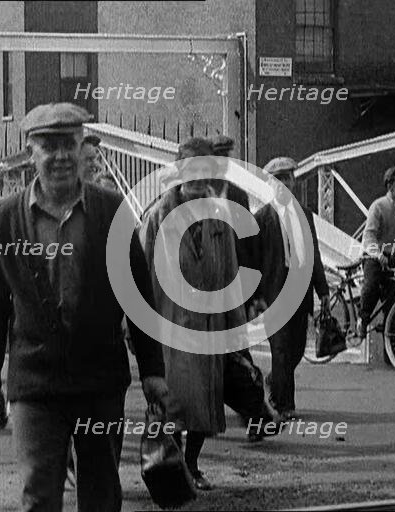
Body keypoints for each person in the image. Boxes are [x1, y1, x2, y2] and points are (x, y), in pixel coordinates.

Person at [0, 102, 167, 512]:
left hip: (98, 382)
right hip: (35, 385)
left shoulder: (111, 212)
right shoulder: (6, 221)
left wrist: (153, 371)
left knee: (100, 493)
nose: (61, 156)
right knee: (39, 494)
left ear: (82, 149)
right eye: (49, 146)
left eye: (69, 145)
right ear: (32, 154)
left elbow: (138, 294)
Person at [140, 137, 247, 490]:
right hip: (169, 327)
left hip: (210, 326)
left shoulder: (220, 218)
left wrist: (237, 329)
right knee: (174, 403)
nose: (199, 178)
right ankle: (172, 465)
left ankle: (191, 464)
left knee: (205, 404)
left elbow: (232, 276)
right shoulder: (157, 217)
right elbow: (140, 277)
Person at [210, 134, 280, 442]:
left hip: (234, 290)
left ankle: (257, 417)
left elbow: (249, 243)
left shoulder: (237, 194)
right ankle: (208, 418)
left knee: (238, 355)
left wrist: (256, 293)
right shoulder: (193, 196)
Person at [253, 157, 329, 421]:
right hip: (274, 295)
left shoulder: (305, 216)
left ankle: (275, 381)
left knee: (296, 349)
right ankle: (283, 404)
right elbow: (254, 265)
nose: (285, 183)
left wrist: (324, 291)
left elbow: (314, 256)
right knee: (281, 349)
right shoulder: (261, 219)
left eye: (289, 178)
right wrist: (256, 299)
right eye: (280, 178)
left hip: (300, 292)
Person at [357, 166, 395, 363]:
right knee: (372, 287)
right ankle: (362, 320)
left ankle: (393, 357)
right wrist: (376, 253)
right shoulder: (379, 206)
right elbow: (369, 234)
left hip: (393, 257)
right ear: (390, 185)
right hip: (375, 257)